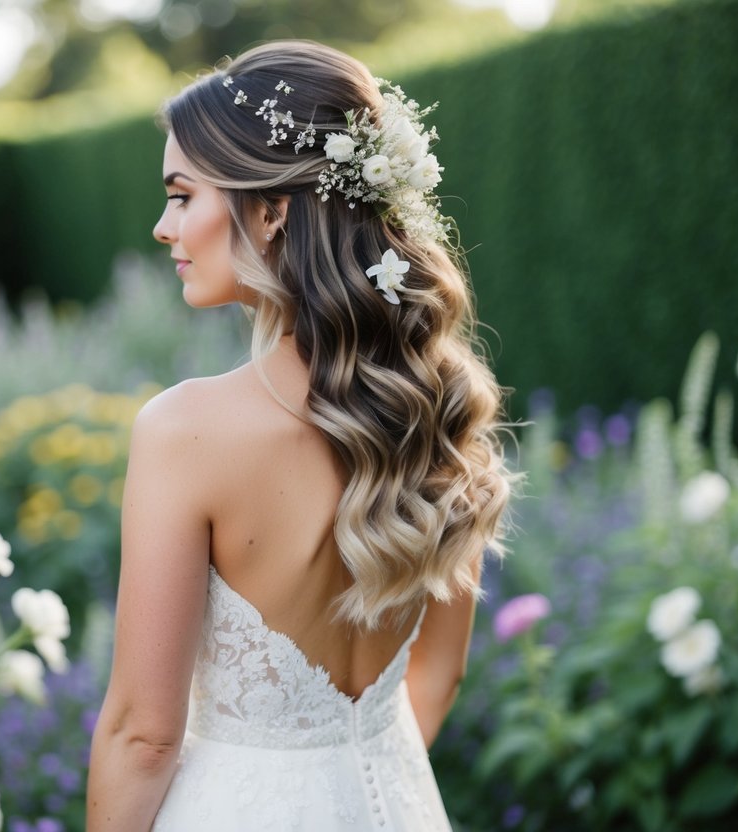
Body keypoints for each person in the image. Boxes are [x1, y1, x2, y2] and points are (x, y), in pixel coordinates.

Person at [86, 39, 514, 832]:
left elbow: (144, 735)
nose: (162, 226)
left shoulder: (183, 432)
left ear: (271, 211)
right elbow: (438, 675)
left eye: (181, 196)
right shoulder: (436, 410)